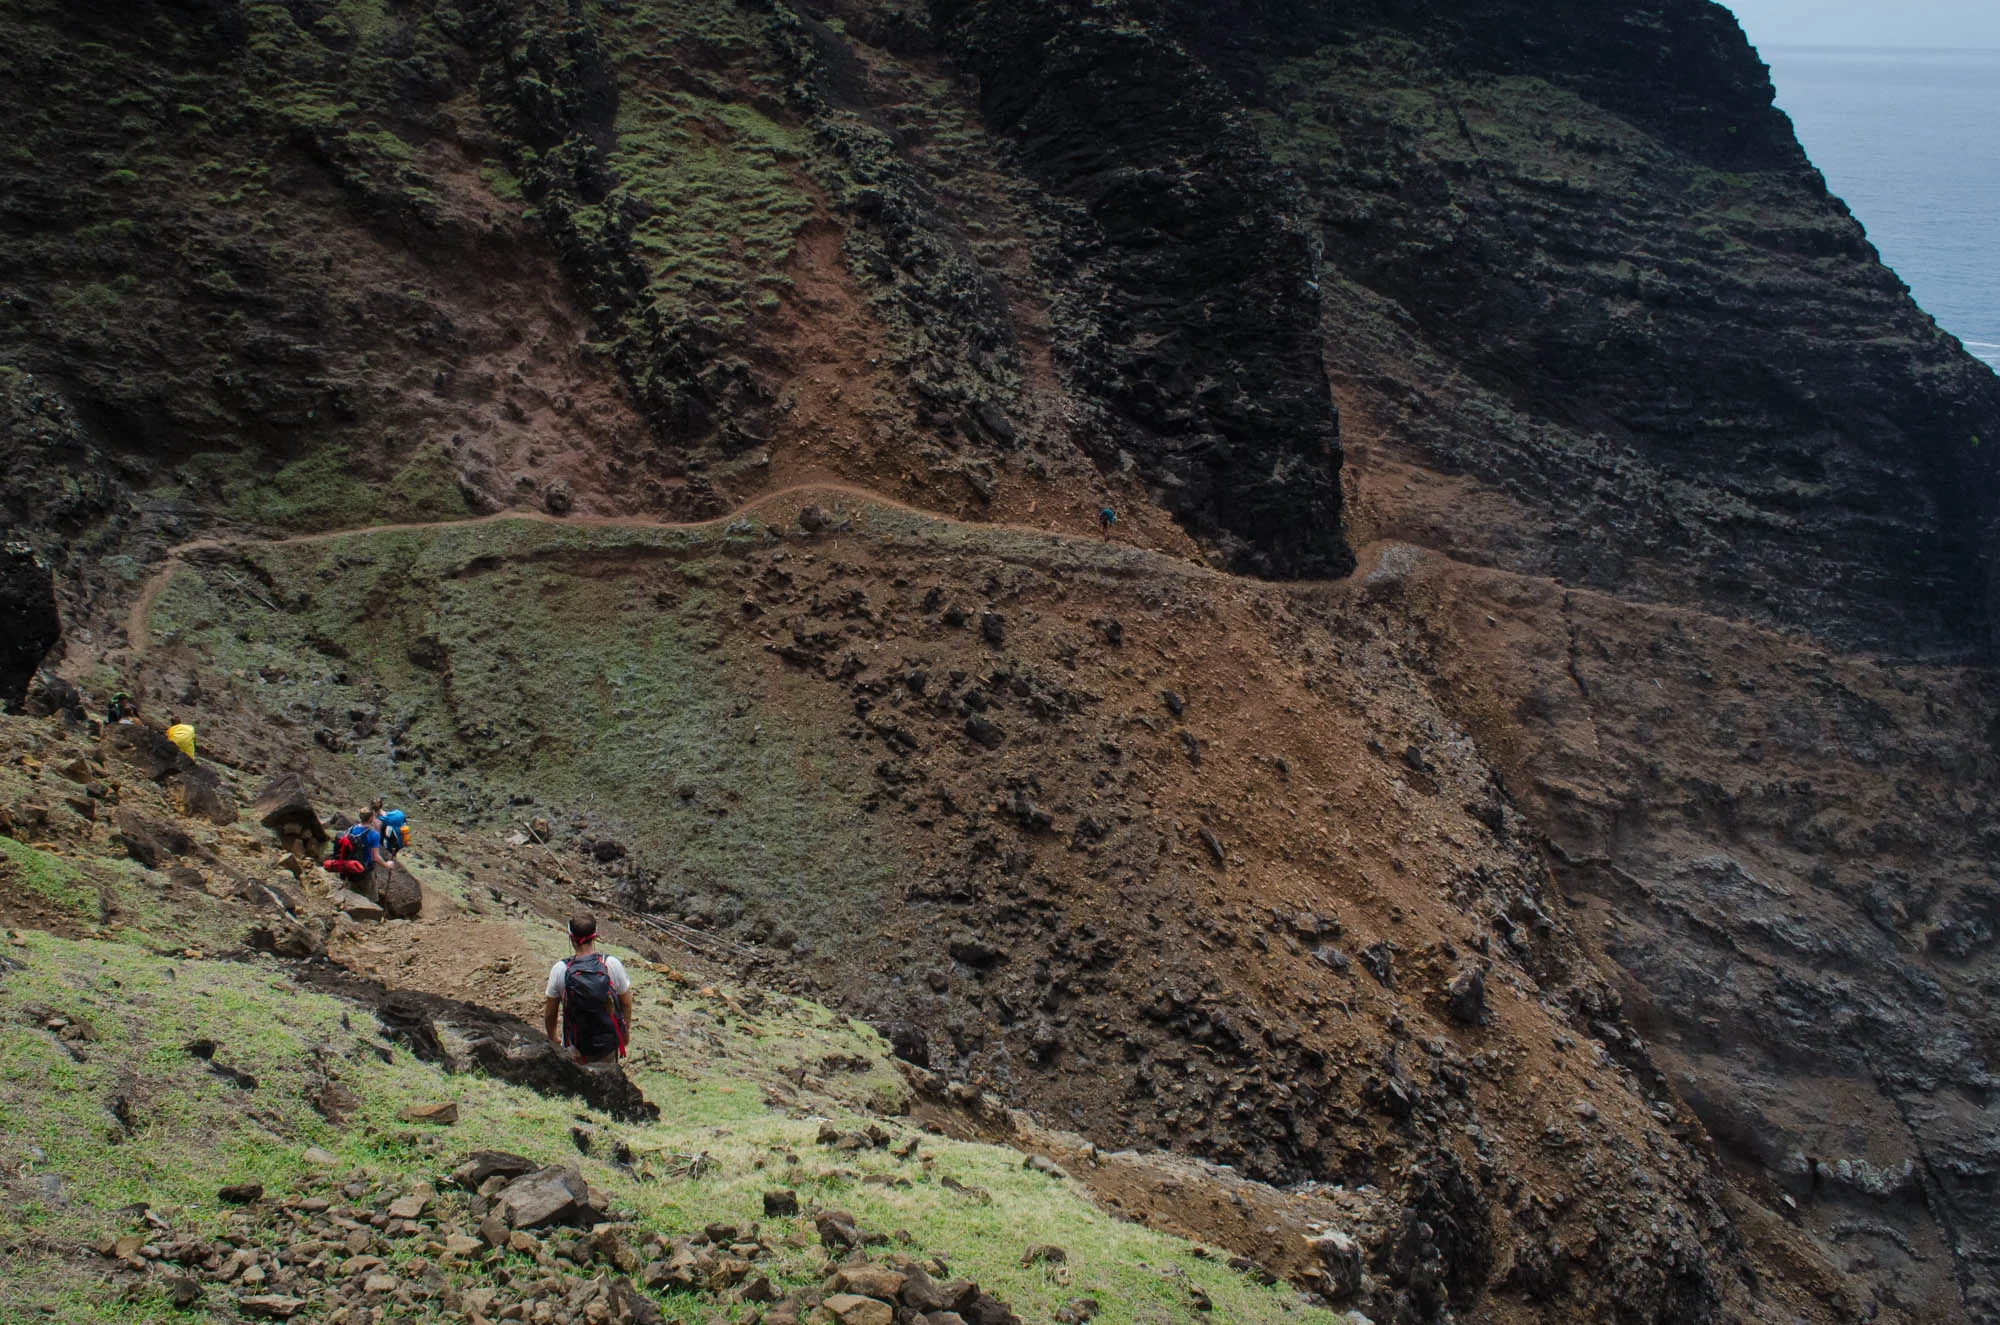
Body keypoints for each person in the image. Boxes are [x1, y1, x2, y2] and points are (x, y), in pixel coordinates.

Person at [543, 911, 632, 1067]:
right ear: (594, 936)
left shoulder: (560, 970)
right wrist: (624, 1032)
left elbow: (551, 1012)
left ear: (571, 938)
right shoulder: (611, 964)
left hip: (575, 1046)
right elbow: (626, 1003)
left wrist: (553, 1037)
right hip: (608, 1043)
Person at [343, 808, 399, 901]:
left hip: (350, 868)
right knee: (371, 899)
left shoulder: (351, 830)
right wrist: (386, 864)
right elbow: (375, 856)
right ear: (371, 819)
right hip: (365, 871)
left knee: (352, 895)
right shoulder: (373, 835)